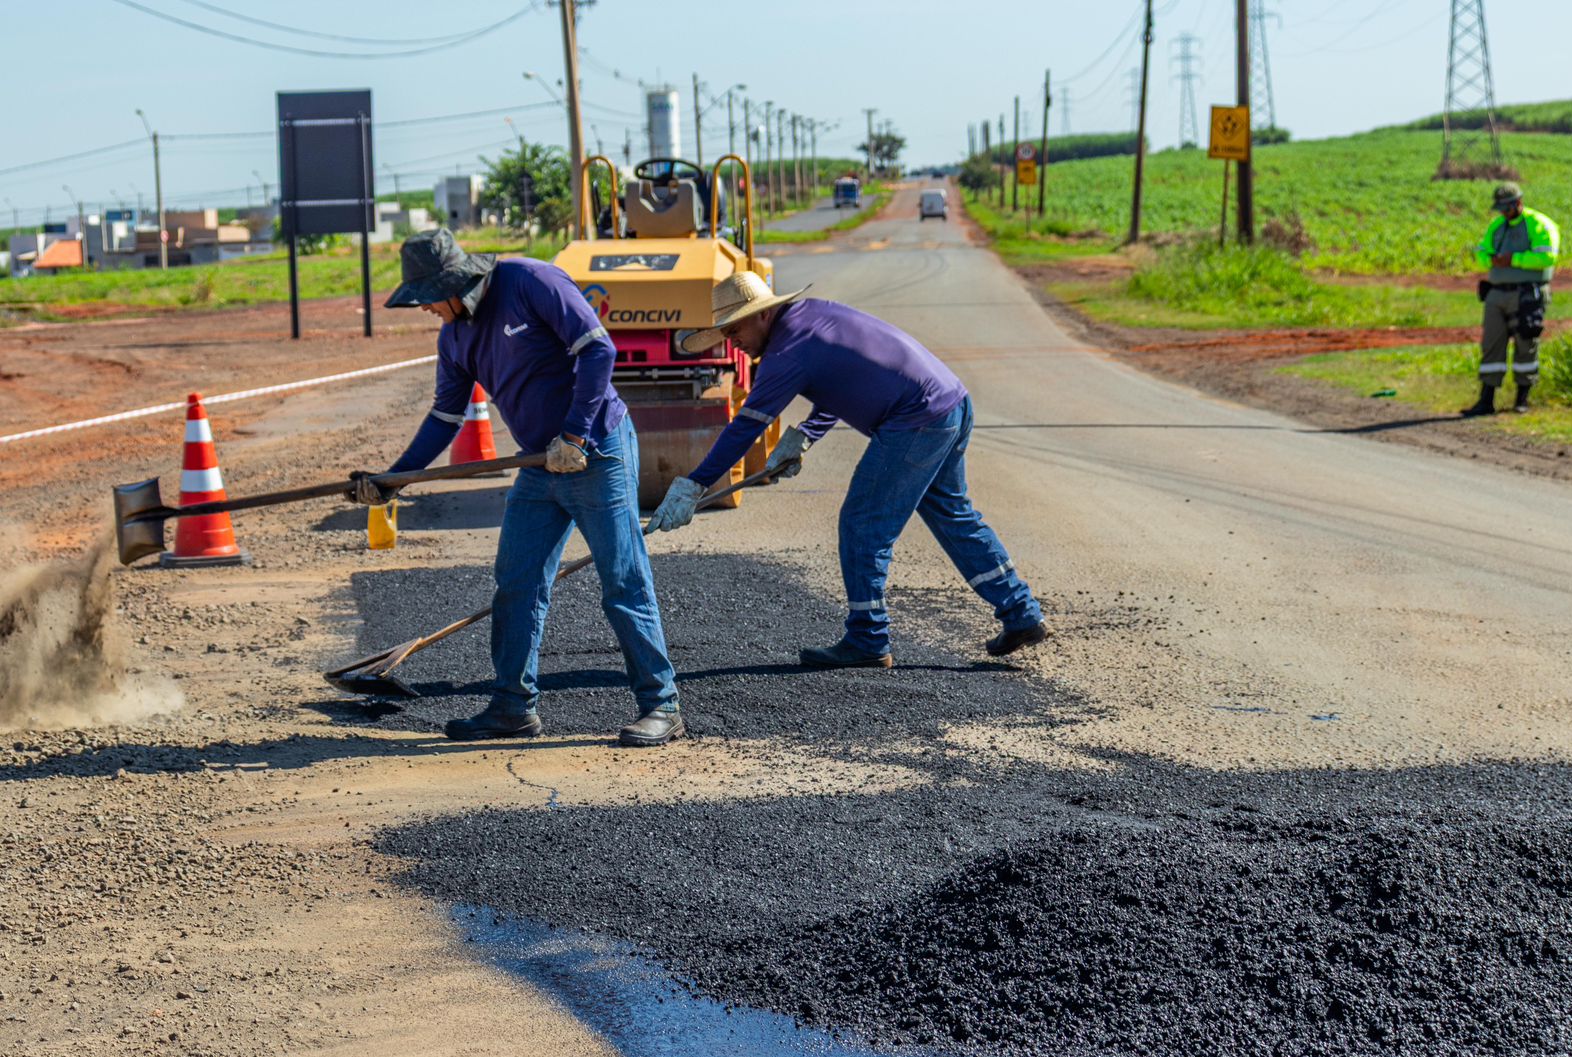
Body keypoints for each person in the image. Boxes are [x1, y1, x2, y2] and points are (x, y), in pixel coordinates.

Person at [349, 229, 684, 746]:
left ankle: (661, 704)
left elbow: (598, 351)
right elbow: (444, 418)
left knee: (622, 580)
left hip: (597, 450)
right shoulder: (454, 336)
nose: (423, 309)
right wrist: (395, 479)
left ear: (455, 284)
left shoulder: (530, 281)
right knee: (517, 582)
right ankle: (512, 706)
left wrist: (574, 435)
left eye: (426, 298)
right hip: (538, 465)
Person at [647, 272, 1048, 668]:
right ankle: (1020, 612)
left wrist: (694, 485)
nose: (731, 340)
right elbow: (842, 381)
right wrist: (804, 434)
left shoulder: (785, 352)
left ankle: (868, 637)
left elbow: (747, 426)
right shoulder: (813, 317)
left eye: (734, 328)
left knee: (862, 524)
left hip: (917, 418)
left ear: (763, 315)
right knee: (953, 514)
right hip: (951, 403)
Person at [1462, 182, 1560, 417]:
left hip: (1527, 293)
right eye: (1501, 209)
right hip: (1496, 292)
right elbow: (1481, 252)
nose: (1503, 213)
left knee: (1526, 343)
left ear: (1518, 203)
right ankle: (1486, 400)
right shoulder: (1497, 226)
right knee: (1491, 344)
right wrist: (1491, 260)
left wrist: (1514, 259)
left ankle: (1521, 400)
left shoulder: (1539, 224)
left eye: (1507, 208)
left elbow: (1547, 257)